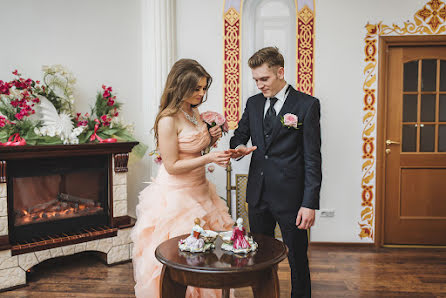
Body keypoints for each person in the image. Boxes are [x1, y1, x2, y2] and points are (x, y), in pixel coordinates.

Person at [131, 59, 235, 298]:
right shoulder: (167, 119)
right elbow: (173, 165)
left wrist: (210, 137)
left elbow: (195, 147)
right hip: (176, 197)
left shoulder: (194, 111)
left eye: (204, 88)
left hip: (201, 191)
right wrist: (209, 159)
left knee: (208, 258)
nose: (202, 93)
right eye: (196, 88)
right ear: (180, 86)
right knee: (185, 261)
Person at [229, 47, 322, 298]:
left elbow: (313, 158)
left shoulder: (307, 105)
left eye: (264, 79)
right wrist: (238, 148)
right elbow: (239, 136)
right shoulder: (253, 103)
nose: (259, 85)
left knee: (297, 260)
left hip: (292, 199)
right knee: (259, 258)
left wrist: (309, 203)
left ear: (280, 72)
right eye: (256, 80)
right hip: (258, 195)